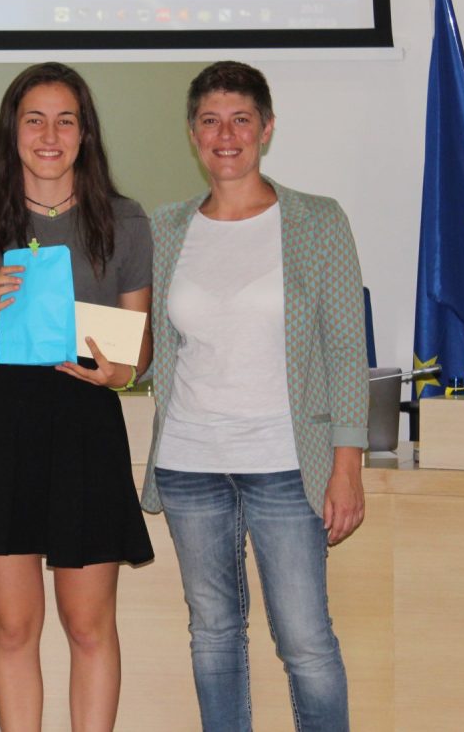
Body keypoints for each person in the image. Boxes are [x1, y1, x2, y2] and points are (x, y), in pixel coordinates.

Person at [139, 61, 367, 731]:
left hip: (286, 465)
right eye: (210, 121)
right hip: (189, 462)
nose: (226, 135)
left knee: (305, 640)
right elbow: (152, 343)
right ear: (192, 134)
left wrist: (347, 465)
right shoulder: (167, 227)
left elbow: (346, 348)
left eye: (241, 119)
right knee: (212, 634)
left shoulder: (317, 221)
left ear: (266, 129)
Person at [0, 62, 154, 731]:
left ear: (85, 134)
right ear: (12, 131)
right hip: (4, 426)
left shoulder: (125, 221)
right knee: (14, 626)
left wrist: (118, 372)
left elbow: (139, 350)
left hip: (86, 422)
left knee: (88, 625)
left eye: (65, 121)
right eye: (35, 120)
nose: (50, 136)